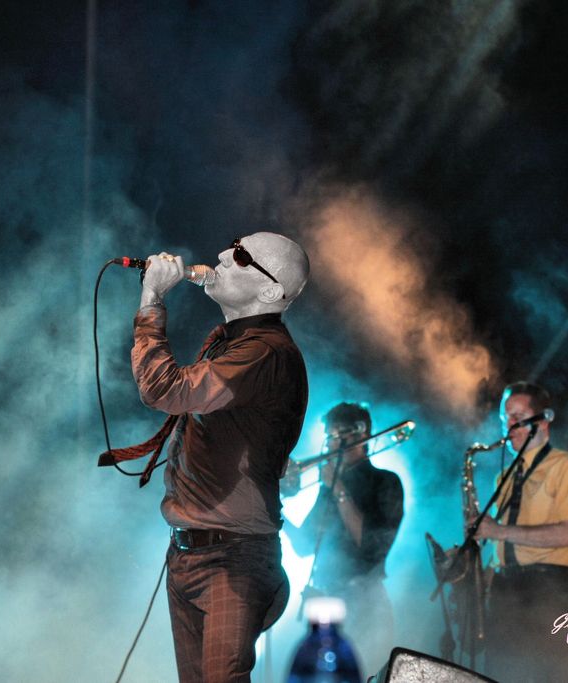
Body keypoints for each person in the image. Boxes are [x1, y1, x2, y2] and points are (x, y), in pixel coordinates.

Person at [127, 233, 309, 682]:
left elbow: (164, 389)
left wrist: (152, 299)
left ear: (270, 291)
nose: (225, 255)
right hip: (189, 550)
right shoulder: (233, 343)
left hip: (234, 557)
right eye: (232, 245)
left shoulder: (264, 352)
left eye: (242, 256)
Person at [471, 382, 568, 683]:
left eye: (517, 416)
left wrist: (499, 531)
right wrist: (483, 573)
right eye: (505, 418)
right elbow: (503, 543)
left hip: (545, 586)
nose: (508, 425)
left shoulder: (567, 466)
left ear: (543, 420)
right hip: (505, 588)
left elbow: (567, 534)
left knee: (544, 675)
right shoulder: (504, 476)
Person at [283, 402, 404, 675]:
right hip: (327, 600)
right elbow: (304, 545)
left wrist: (338, 488)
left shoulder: (386, 482)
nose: (329, 444)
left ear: (360, 434)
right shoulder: (329, 489)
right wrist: (273, 509)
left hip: (365, 603)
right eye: (328, 436)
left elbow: (370, 544)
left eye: (336, 435)